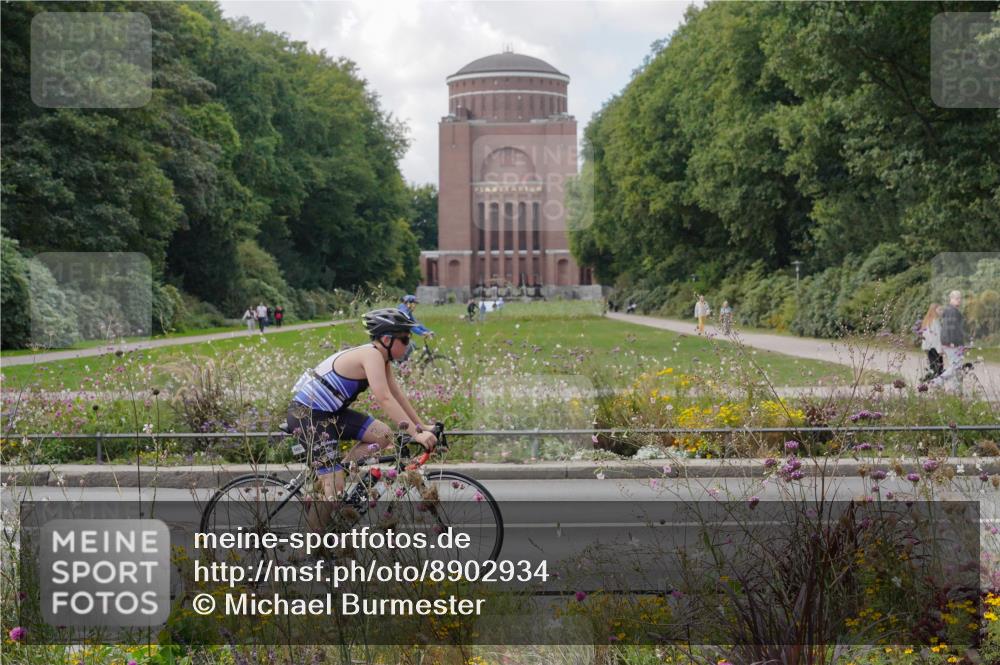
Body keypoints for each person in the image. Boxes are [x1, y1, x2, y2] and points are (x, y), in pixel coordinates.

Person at [287, 308, 438, 528]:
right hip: (308, 416)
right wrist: (416, 435)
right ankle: (306, 553)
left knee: (384, 435)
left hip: (330, 414)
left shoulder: (382, 358)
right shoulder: (372, 355)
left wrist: (421, 426)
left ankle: (338, 470)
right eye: (404, 339)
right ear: (387, 339)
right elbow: (385, 398)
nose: (408, 344)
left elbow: (397, 394)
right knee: (334, 488)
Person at [934, 290, 967, 392]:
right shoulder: (952, 311)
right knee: (955, 366)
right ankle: (937, 381)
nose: (959, 300)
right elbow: (951, 328)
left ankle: (956, 389)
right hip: (952, 343)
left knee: (956, 367)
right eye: (957, 298)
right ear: (951, 299)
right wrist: (953, 342)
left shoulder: (949, 310)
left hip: (949, 342)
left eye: (960, 298)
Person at [919, 303, 944, 381]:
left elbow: (925, 336)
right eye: (940, 310)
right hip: (935, 348)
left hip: (929, 348)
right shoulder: (935, 322)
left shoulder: (927, 321)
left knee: (933, 366)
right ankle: (936, 385)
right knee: (939, 368)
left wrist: (925, 347)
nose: (941, 311)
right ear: (934, 310)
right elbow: (938, 337)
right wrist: (940, 350)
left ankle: (930, 381)